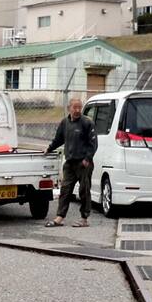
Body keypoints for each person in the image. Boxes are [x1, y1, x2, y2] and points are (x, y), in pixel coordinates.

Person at [44, 96, 98, 227]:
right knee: (65, 190)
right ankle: (59, 217)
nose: (78, 110)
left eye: (80, 107)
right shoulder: (65, 123)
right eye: (75, 107)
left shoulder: (87, 123)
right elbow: (59, 139)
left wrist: (87, 159)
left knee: (84, 190)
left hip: (83, 163)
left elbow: (93, 144)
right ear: (69, 108)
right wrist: (49, 149)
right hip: (69, 163)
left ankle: (84, 218)